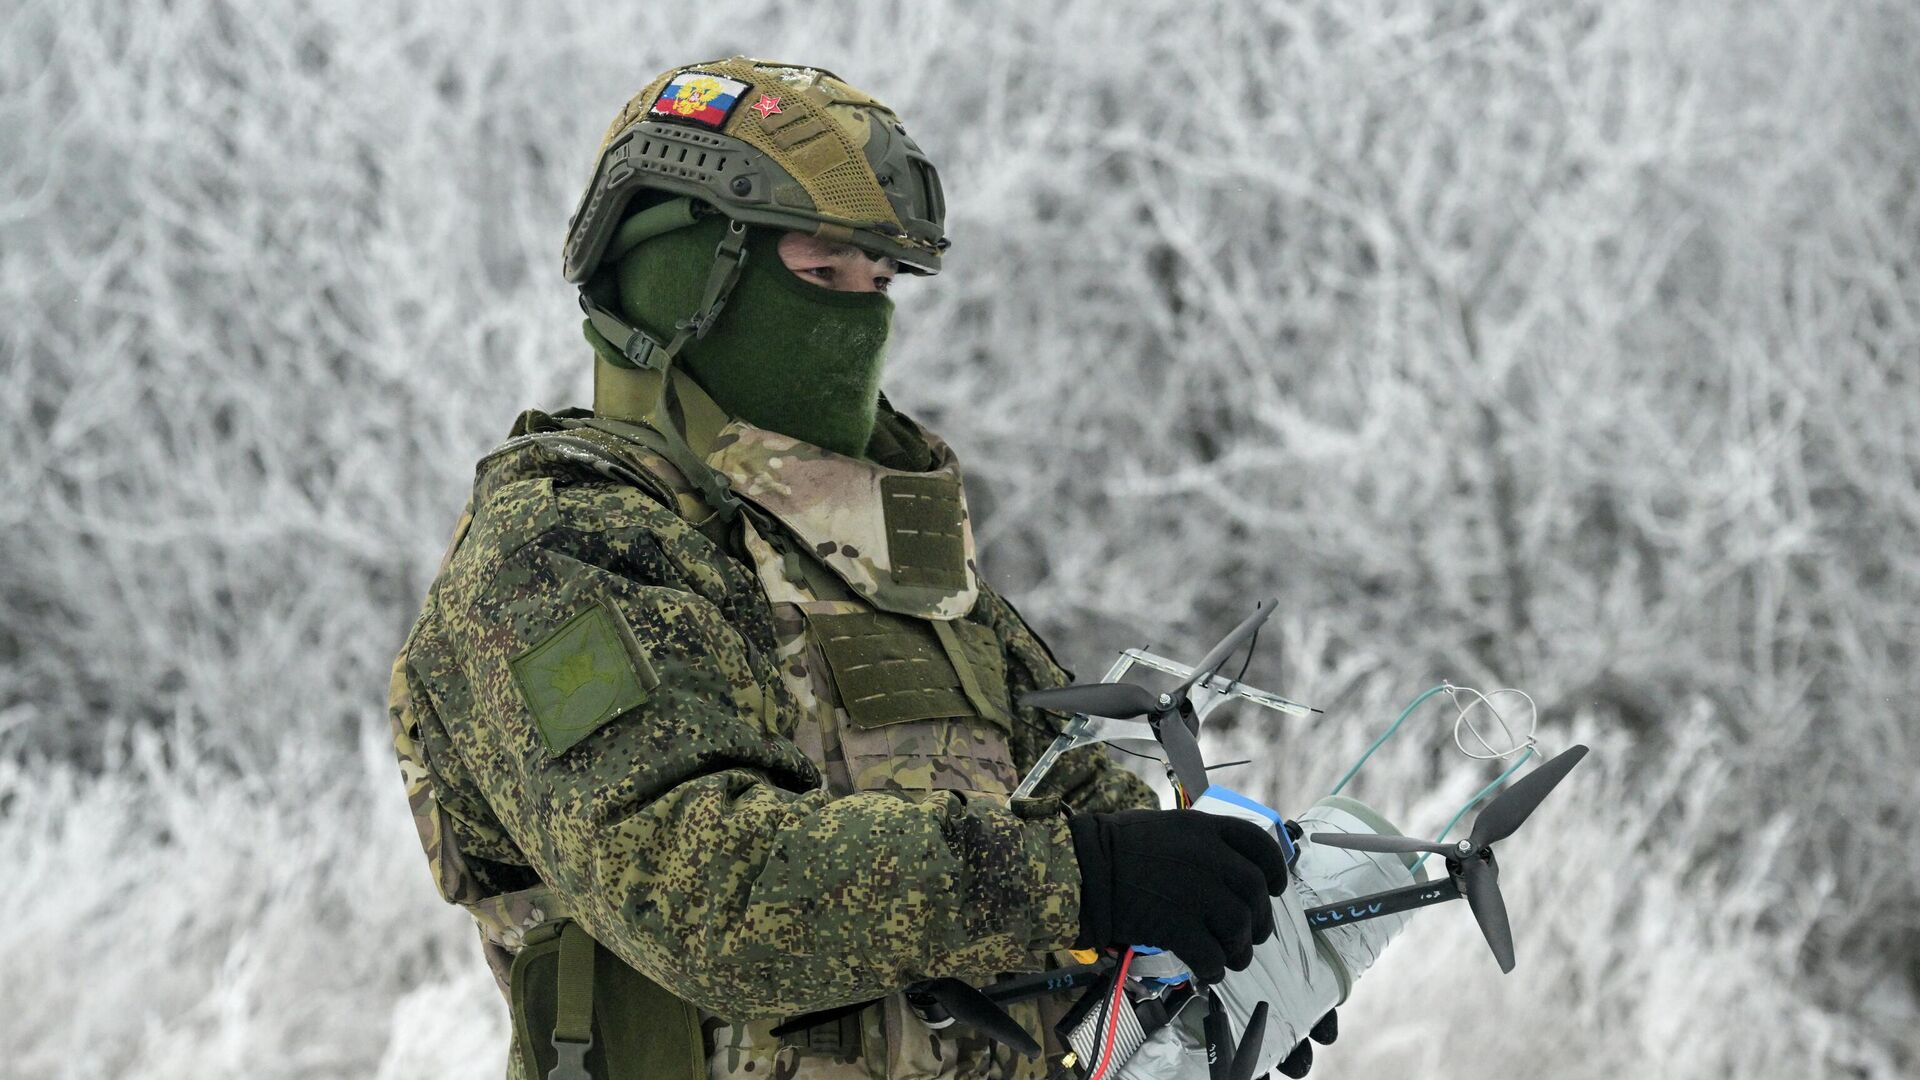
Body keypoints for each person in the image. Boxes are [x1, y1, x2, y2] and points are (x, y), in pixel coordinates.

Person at [387, 57, 1325, 1080]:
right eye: (822, 276)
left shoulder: (885, 557)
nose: (859, 321)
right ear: (678, 277)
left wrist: (1214, 947)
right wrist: (1081, 880)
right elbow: (700, 890)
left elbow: (1079, 811)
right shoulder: (563, 551)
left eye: (879, 285)